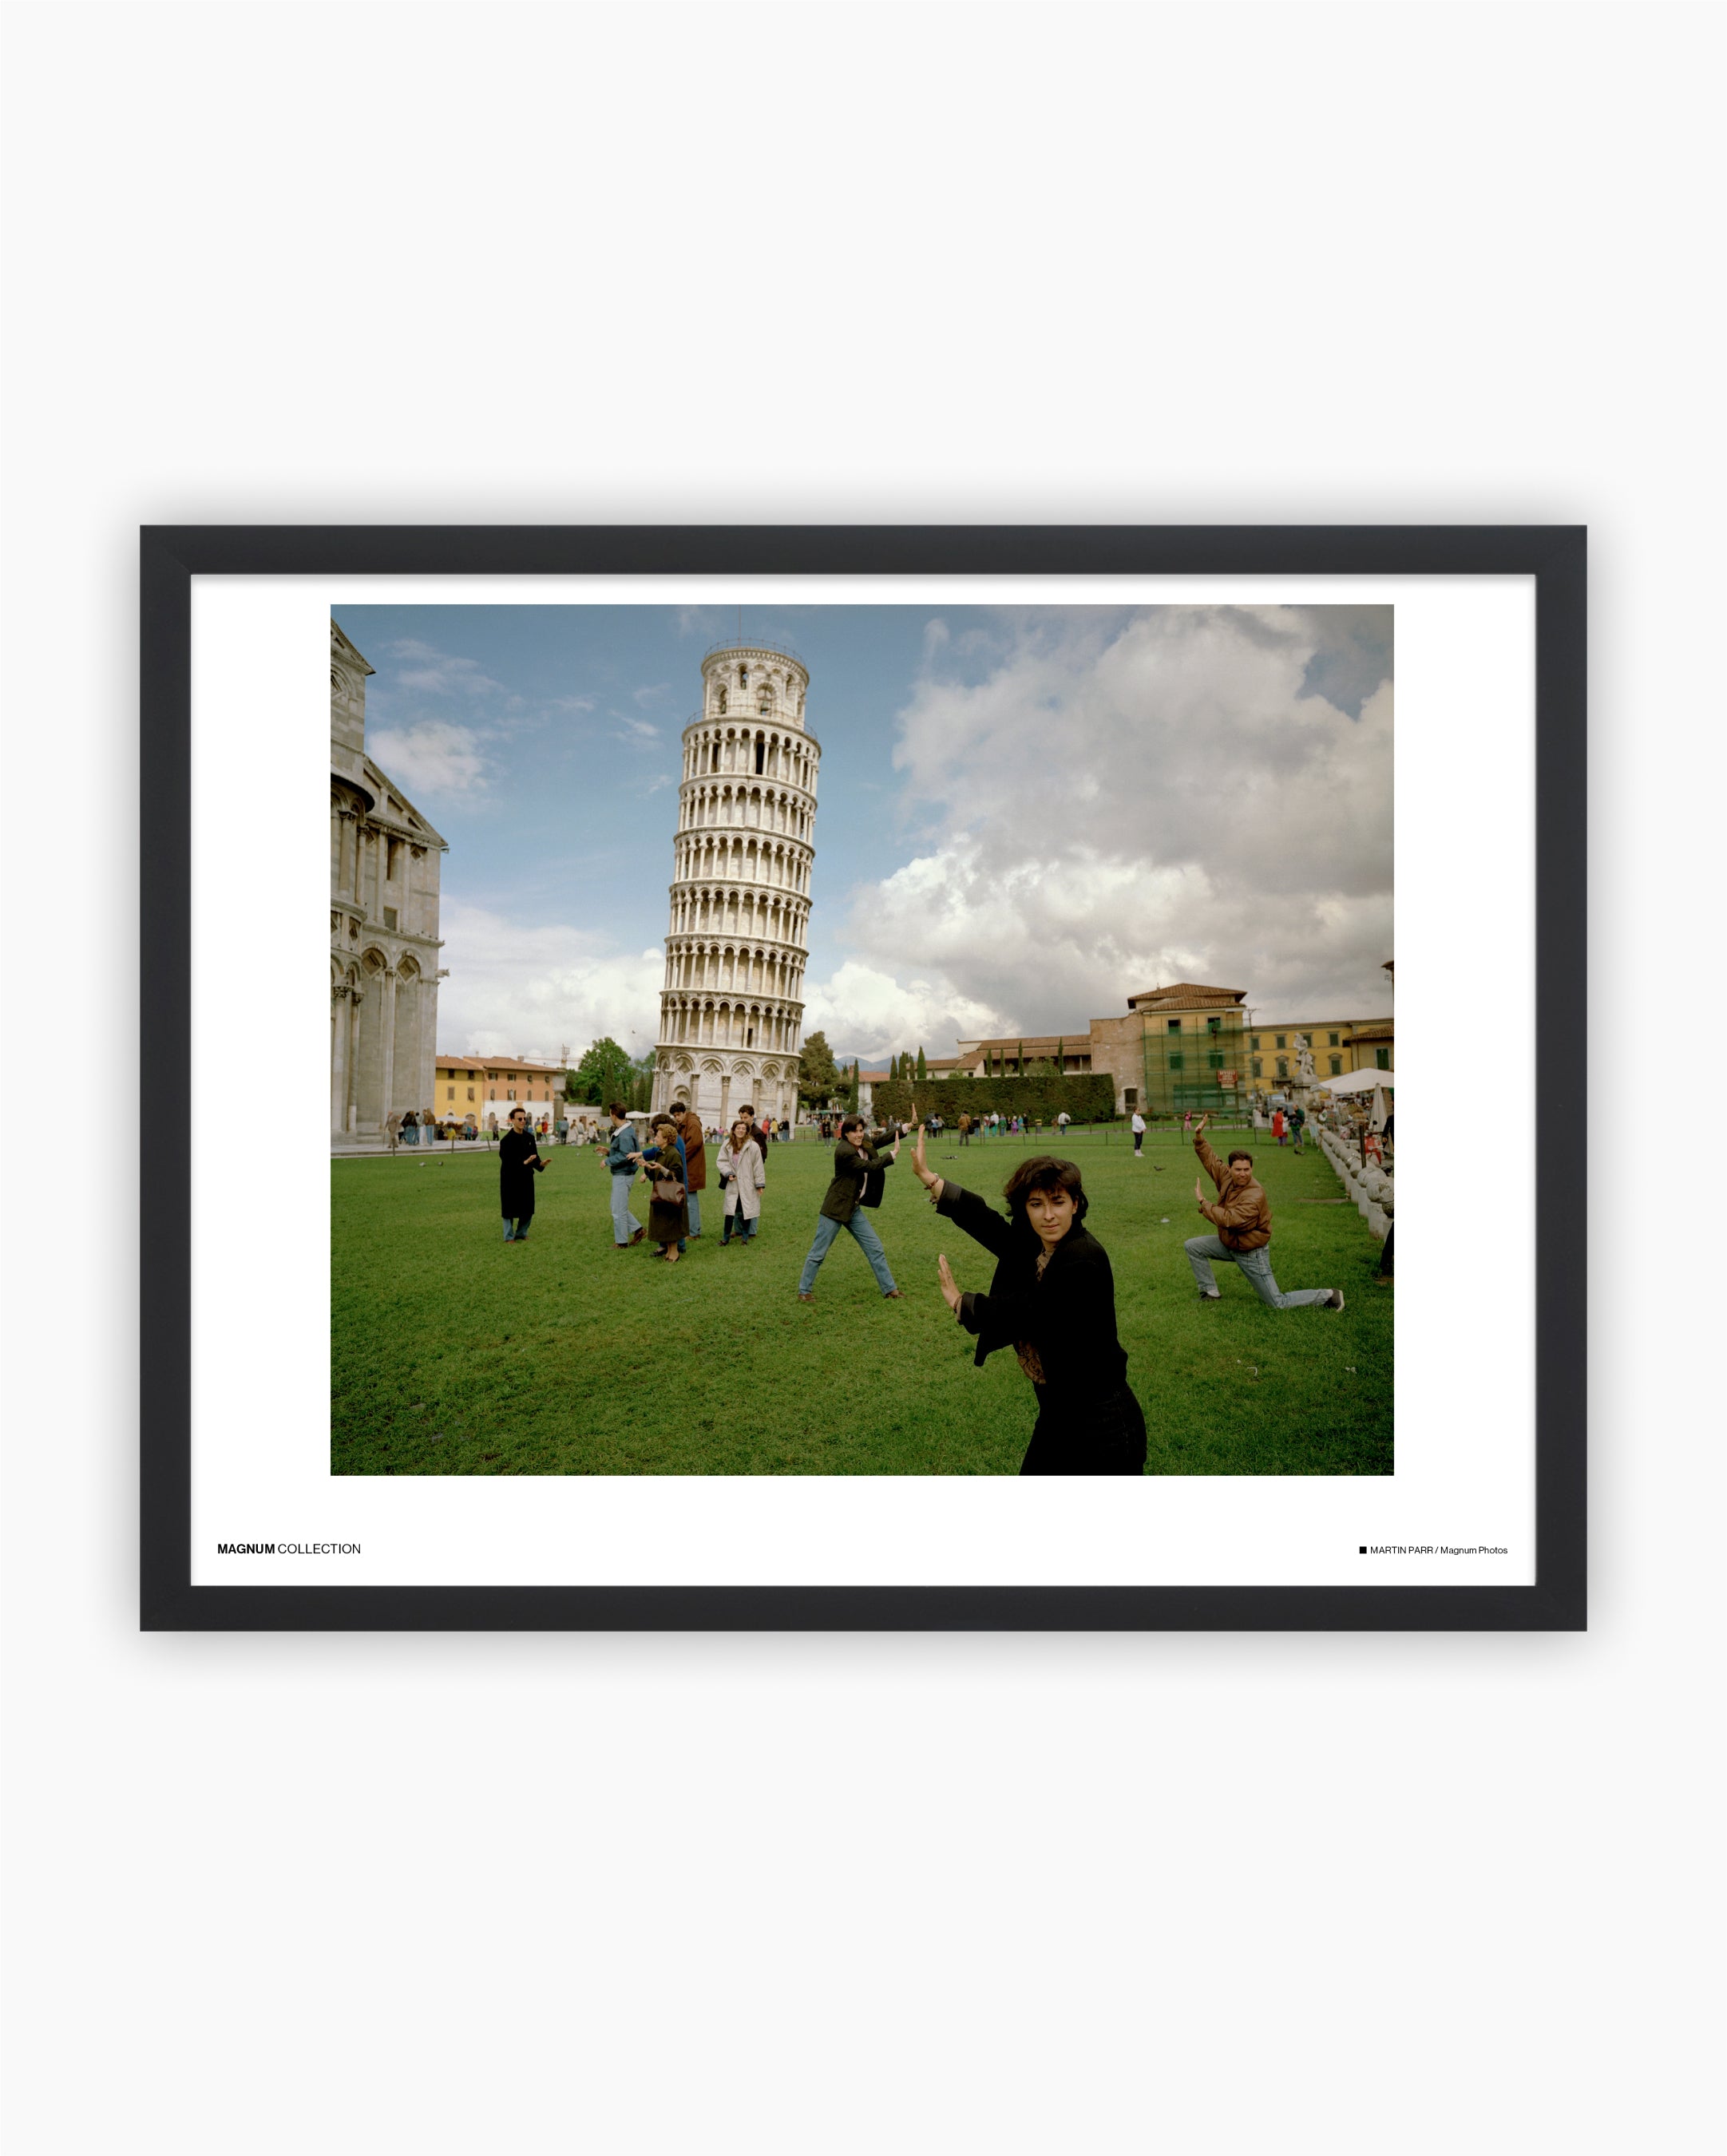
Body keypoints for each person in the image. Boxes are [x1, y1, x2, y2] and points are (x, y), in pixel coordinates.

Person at [909, 1129, 1146, 1476]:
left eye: (1058, 1202)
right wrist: (932, 1180)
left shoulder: (1082, 1257)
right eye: (1036, 1204)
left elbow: (1030, 1311)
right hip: (1059, 1415)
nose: (1048, 1215)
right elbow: (992, 1226)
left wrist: (965, 1304)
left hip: (1103, 1425)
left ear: (1075, 1204)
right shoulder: (1042, 1247)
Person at [1185, 1113, 1342, 1310]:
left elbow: (1230, 1220)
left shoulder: (1255, 1194)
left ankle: (1329, 1295)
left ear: (1251, 1169)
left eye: (1247, 1170)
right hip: (1230, 1243)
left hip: (1251, 1253)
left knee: (1278, 1302)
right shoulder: (1227, 1178)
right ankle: (1210, 1292)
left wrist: (1203, 1201)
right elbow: (1212, 1161)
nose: (1243, 1174)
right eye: (1238, 1169)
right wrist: (1199, 1138)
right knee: (1193, 1246)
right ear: (1231, 1169)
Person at [796, 1114, 903, 1301]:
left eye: (861, 1131)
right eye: (855, 1131)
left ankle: (890, 1290)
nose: (859, 1135)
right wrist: (892, 1155)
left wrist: (905, 1128)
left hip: (853, 1208)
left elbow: (879, 1139)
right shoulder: (844, 1151)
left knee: (875, 1247)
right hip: (835, 1208)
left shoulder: (864, 1142)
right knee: (818, 1252)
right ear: (846, 1133)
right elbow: (868, 1166)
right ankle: (804, 1291)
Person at [636, 1115, 689, 1261]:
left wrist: (662, 1169)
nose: (655, 1138)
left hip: (671, 1195)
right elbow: (656, 1172)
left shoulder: (673, 1153)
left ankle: (675, 1253)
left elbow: (677, 1174)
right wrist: (647, 1167)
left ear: (666, 1139)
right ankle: (669, 1252)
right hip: (663, 1195)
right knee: (666, 1224)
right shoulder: (661, 1152)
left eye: (658, 1136)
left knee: (671, 1224)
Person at [498, 1105, 545, 1242]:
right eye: (520, 1119)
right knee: (509, 1208)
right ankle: (508, 1236)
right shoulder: (506, 1141)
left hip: (526, 1178)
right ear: (512, 1120)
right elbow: (506, 1160)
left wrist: (541, 1164)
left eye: (525, 1118)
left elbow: (534, 1157)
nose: (523, 1121)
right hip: (510, 1179)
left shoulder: (530, 1138)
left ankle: (521, 1232)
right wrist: (523, 1163)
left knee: (528, 1207)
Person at [603, 1102, 646, 1250]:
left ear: (613, 1115)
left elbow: (625, 1155)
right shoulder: (626, 1131)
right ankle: (638, 1230)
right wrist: (609, 1152)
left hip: (623, 1175)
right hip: (623, 1174)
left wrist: (607, 1161)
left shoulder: (625, 1133)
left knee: (618, 1210)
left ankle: (621, 1242)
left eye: (610, 1114)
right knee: (617, 1207)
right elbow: (625, 1152)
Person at [718, 1114, 765, 1244]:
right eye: (738, 1128)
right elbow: (722, 1161)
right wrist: (728, 1173)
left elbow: (758, 1166)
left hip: (747, 1182)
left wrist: (759, 1184)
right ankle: (725, 1238)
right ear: (734, 1130)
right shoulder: (727, 1145)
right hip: (733, 1182)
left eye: (743, 1129)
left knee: (746, 1209)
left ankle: (745, 1238)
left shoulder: (753, 1146)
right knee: (730, 1211)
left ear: (747, 1131)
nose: (741, 1131)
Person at [670, 1099, 707, 1236]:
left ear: (684, 1112)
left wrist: (679, 1157)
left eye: (679, 1115)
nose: (677, 1118)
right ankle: (692, 1229)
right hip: (688, 1166)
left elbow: (695, 1143)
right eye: (675, 1116)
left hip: (692, 1168)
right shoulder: (684, 1124)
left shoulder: (693, 1123)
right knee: (688, 1200)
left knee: (691, 1201)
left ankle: (694, 1231)